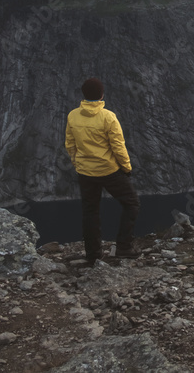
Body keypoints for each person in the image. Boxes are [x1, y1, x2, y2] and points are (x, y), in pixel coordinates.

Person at [64, 77, 141, 262]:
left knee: (90, 212)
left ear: (84, 95)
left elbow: (70, 145)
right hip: (109, 171)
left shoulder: (73, 116)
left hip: (85, 172)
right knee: (131, 204)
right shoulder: (108, 117)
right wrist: (127, 168)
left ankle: (93, 255)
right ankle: (123, 246)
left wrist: (78, 164)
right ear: (101, 95)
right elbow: (118, 147)